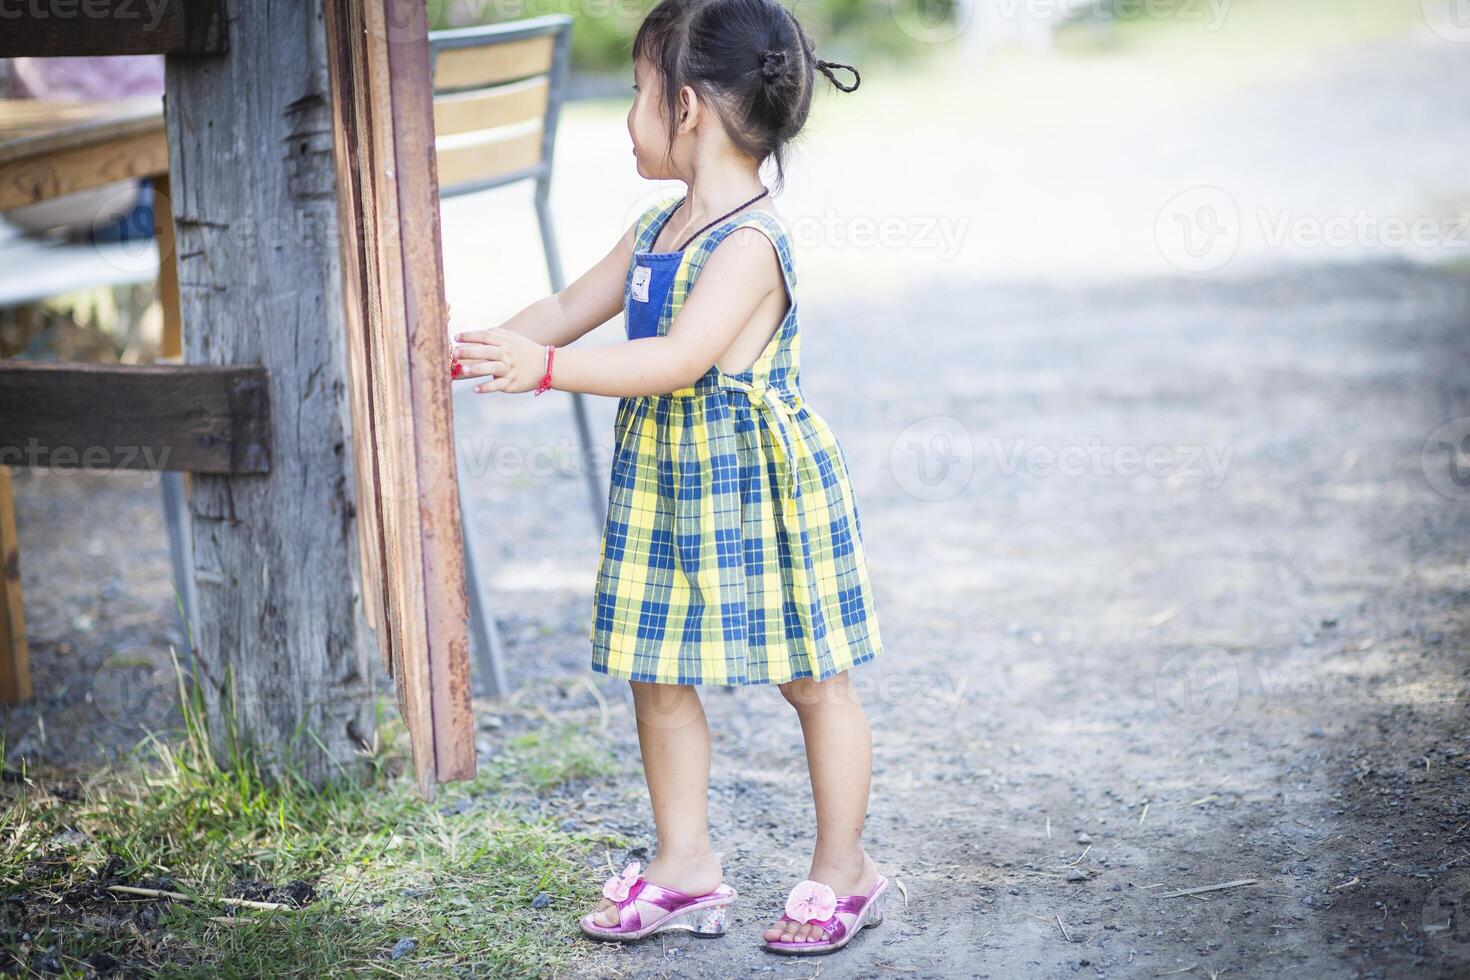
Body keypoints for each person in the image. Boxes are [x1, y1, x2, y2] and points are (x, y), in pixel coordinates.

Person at [450, 0, 885, 955]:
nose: (631, 117)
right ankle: (685, 865)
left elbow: (681, 359)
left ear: (686, 107)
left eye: (640, 93)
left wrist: (551, 371)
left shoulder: (748, 244)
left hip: (759, 490)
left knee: (814, 681)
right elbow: (568, 304)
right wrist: (491, 346)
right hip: (667, 490)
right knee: (657, 674)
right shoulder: (657, 226)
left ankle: (843, 869)